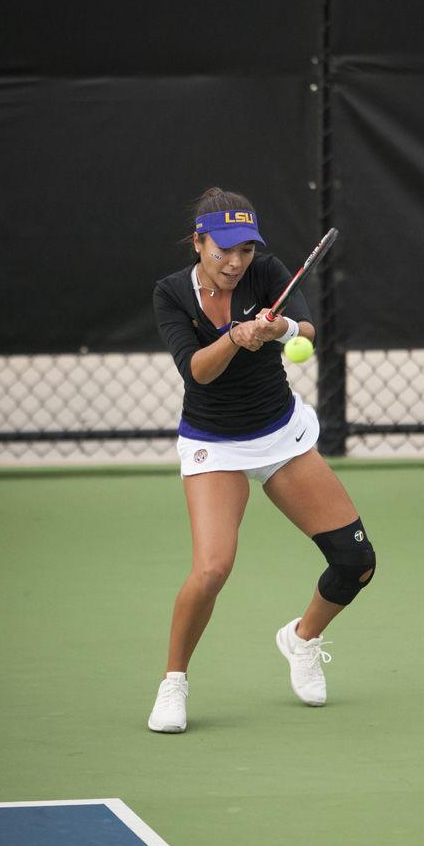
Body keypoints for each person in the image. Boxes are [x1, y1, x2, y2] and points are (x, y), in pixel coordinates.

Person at [147, 187, 376, 733]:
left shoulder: (268, 272)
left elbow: (306, 331)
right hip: (214, 443)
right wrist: (234, 336)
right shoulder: (171, 293)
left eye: (245, 250)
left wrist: (278, 329)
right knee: (212, 570)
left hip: (281, 435)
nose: (235, 262)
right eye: (223, 249)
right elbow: (197, 370)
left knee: (355, 562)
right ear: (199, 242)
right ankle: (173, 683)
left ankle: (302, 639)